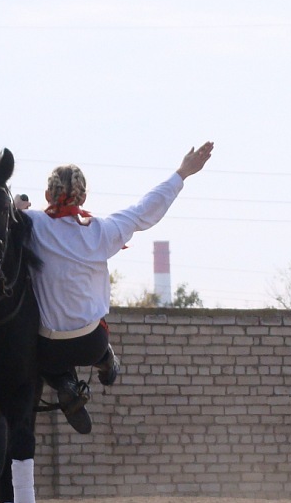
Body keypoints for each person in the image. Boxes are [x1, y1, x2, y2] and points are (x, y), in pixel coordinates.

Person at [23, 141, 214, 434]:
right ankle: (106, 360)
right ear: (84, 196)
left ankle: (64, 383)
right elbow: (144, 210)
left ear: (48, 194)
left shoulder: (31, 224)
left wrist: (18, 207)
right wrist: (182, 173)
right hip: (91, 341)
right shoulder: (102, 230)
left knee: (43, 358)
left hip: (50, 346)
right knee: (93, 339)